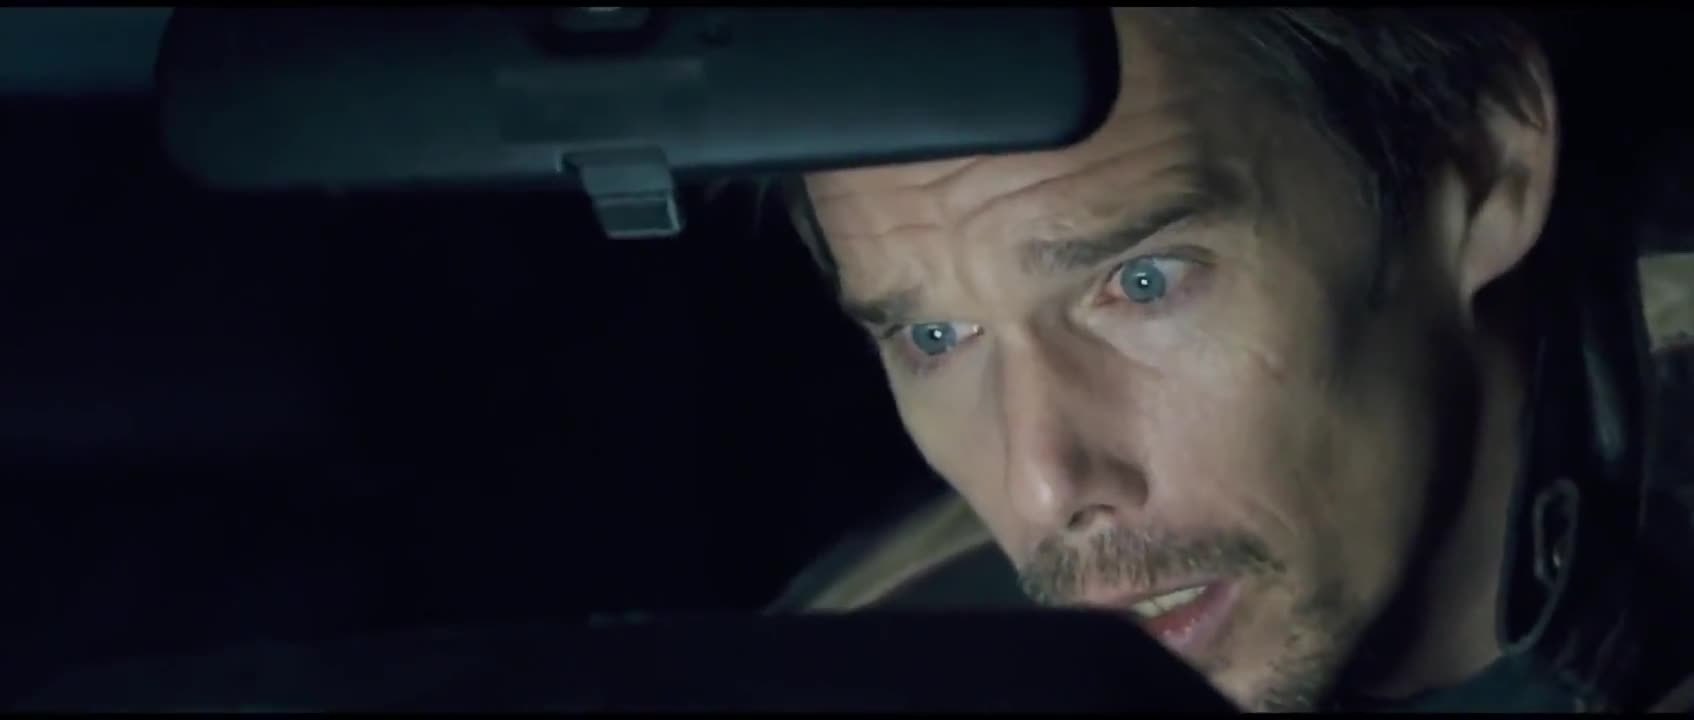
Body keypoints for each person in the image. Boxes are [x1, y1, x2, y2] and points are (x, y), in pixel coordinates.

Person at [777, 7, 1694, 712]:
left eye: (1143, 284)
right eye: (935, 338)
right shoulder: (864, 654)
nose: (1045, 487)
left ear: (1483, 167)